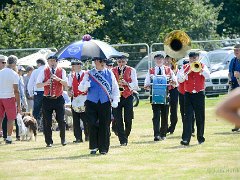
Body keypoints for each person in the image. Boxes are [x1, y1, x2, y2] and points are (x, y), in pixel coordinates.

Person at [78, 57, 120, 155]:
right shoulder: (89, 73)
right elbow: (81, 87)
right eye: (95, 61)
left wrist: (115, 100)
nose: (96, 62)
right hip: (91, 102)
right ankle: (94, 146)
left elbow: (115, 88)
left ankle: (103, 148)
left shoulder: (110, 73)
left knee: (104, 125)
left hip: (105, 102)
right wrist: (86, 85)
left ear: (102, 62)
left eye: (98, 61)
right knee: (92, 124)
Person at [178, 52, 210, 146]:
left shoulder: (203, 66)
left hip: (199, 94)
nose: (193, 60)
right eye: (191, 58)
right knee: (187, 116)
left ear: (198, 58)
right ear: (189, 59)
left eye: (195, 58)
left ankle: (200, 138)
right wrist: (187, 72)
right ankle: (185, 139)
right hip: (188, 94)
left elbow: (208, 76)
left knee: (200, 116)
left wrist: (201, 70)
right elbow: (180, 80)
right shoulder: (185, 67)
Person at [36, 55, 68, 147]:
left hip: (58, 98)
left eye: (54, 61)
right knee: (47, 122)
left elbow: (66, 84)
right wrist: (46, 83)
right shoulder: (43, 71)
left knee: (61, 120)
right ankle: (49, 142)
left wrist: (58, 79)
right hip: (47, 99)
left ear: (57, 62)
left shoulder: (62, 71)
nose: (52, 63)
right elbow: (38, 85)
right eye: (50, 61)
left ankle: (63, 139)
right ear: (48, 62)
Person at [144, 54, 177, 141]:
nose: (159, 61)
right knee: (156, 116)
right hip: (155, 96)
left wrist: (172, 81)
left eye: (160, 59)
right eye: (157, 59)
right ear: (155, 60)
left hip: (165, 96)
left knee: (165, 115)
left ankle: (163, 133)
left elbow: (175, 82)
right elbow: (146, 83)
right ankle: (156, 134)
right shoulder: (151, 70)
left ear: (163, 60)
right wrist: (147, 86)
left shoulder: (168, 70)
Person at [112, 53, 138, 146]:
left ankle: (125, 135)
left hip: (128, 96)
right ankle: (122, 140)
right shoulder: (112, 70)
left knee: (128, 119)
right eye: (119, 62)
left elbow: (135, 85)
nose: (121, 63)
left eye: (123, 61)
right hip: (117, 97)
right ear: (117, 62)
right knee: (118, 119)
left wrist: (126, 83)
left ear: (126, 61)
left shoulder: (132, 70)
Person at [0, 55, 21, 144]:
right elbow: (16, 90)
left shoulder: (0, 72)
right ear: (15, 64)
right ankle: (8, 138)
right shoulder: (14, 74)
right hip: (9, 97)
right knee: (11, 118)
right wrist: (19, 104)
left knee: (0, 118)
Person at [68, 60, 89, 143]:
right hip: (75, 98)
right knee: (76, 119)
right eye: (72, 65)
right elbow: (69, 87)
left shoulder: (86, 74)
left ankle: (88, 135)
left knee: (85, 119)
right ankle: (78, 137)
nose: (73, 67)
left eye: (74, 65)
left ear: (80, 66)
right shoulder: (71, 75)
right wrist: (69, 92)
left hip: (85, 98)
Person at [177, 60, 196, 137]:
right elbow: (179, 79)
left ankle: (192, 129)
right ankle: (186, 129)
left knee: (192, 113)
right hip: (182, 94)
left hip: (191, 93)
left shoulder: (194, 71)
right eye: (185, 65)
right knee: (183, 112)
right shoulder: (181, 72)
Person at [27, 58, 46, 131]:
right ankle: (45, 127)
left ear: (39, 63)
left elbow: (30, 83)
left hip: (38, 92)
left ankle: (34, 127)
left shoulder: (36, 71)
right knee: (46, 110)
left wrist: (31, 93)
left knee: (36, 111)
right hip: (47, 93)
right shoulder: (48, 70)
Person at [164, 55, 179, 134]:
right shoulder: (162, 68)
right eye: (165, 58)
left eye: (168, 58)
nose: (166, 60)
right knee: (164, 109)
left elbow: (176, 80)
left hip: (173, 90)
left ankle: (172, 126)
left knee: (173, 109)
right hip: (164, 90)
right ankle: (165, 127)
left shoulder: (175, 68)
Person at [227, 44, 240, 132]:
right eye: (235, 50)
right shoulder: (233, 60)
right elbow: (230, 72)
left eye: (238, 50)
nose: (236, 52)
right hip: (235, 85)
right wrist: (230, 79)